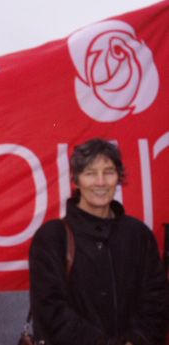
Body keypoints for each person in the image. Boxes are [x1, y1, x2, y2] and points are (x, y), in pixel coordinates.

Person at [29, 138, 168, 345]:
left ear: (118, 177)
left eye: (108, 172)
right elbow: (50, 309)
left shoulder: (138, 234)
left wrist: (135, 340)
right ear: (76, 180)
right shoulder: (52, 237)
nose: (100, 182)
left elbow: (156, 299)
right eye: (90, 173)